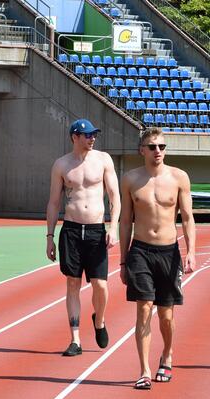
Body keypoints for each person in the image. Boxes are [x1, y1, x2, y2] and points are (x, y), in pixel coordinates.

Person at [119, 128, 195, 390]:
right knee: (143, 308)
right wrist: (122, 260)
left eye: (162, 146)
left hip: (168, 252)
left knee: (166, 316)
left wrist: (191, 252)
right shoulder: (130, 179)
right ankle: (144, 370)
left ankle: (168, 353)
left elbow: (187, 217)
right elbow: (125, 220)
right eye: (152, 147)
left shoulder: (179, 177)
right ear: (142, 150)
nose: (158, 151)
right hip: (140, 250)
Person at [46, 119, 120, 356]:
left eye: (93, 135)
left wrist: (113, 227)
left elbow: (114, 196)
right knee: (72, 283)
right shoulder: (61, 165)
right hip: (72, 230)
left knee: (100, 284)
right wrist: (49, 235)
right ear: (74, 137)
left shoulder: (103, 160)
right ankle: (75, 339)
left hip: (97, 230)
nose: (92, 138)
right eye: (87, 135)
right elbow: (54, 202)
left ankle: (99, 320)